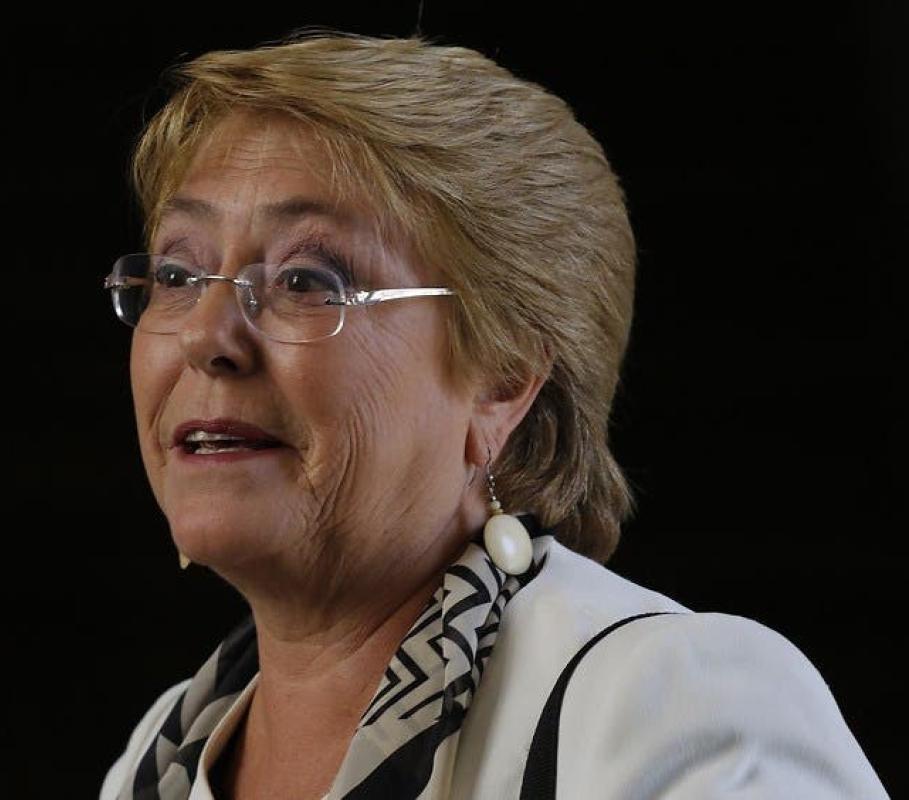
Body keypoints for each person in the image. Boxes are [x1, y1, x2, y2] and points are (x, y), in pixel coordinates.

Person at [97, 31, 887, 799]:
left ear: (502, 380)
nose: (204, 336)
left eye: (305, 281)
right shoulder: (162, 752)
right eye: (177, 274)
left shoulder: (668, 706)